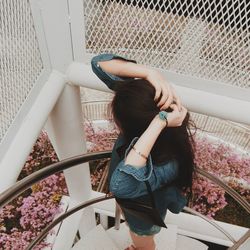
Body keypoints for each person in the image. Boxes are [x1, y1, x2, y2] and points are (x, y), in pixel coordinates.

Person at [91, 54, 195, 250]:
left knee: (142, 239)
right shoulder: (144, 116)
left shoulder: (167, 164)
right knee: (135, 230)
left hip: (144, 216)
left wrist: (160, 121)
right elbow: (98, 63)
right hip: (135, 205)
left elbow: (121, 185)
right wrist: (150, 73)